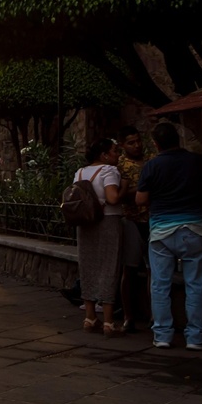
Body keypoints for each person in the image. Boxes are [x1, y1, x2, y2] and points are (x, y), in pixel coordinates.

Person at [136, 122, 202, 351]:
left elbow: (141, 199)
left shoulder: (151, 166)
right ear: (178, 140)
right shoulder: (200, 161)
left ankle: (162, 335)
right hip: (193, 230)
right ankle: (195, 337)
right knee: (196, 284)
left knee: (160, 285)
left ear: (156, 144)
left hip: (161, 232)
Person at [73, 138, 127, 338]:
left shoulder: (80, 172)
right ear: (104, 155)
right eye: (115, 151)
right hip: (107, 222)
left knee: (88, 266)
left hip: (85, 223)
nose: (118, 155)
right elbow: (112, 198)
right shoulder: (109, 171)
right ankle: (109, 322)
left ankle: (89, 318)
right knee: (109, 266)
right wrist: (124, 187)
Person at [117, 126, 151, 332]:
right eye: (131, 142)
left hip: (152, 219)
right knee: (129, 270)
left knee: (153, 270)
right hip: (131, 219)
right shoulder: (119, 165)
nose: (137, 145)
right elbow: (117, 195)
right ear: (123, 145)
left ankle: (153, 316)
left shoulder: (151, 159)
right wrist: (140, 191)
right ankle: (128, 316)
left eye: (138, 141)